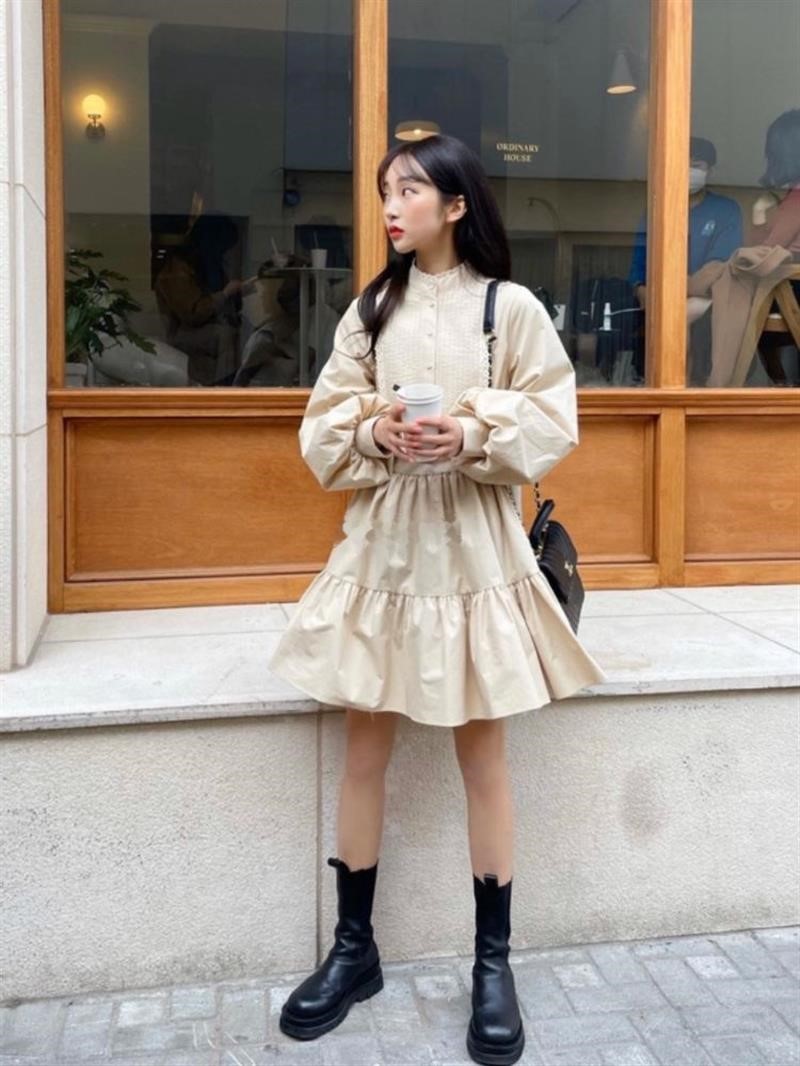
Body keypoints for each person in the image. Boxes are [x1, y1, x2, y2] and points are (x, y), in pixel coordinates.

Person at [268, 133, 607, 1066]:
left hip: (475, 551)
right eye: (387, 189)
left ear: (456, 204)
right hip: (383, 550)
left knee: (484, 759)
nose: (392, 204)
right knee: (362, 753)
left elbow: (554, 415)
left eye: (411, 189)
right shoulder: (370, 309)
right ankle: (354, 952)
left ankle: (493, 966)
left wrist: (470, 434)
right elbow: (322, 425)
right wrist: (375, 433)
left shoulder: (509, 308)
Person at [629, 137, 743, 384]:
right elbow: (639, 262)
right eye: (684, 164)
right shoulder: (658, 209)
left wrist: (678, 291)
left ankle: (682, 388)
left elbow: (718, 265)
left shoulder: (726, 210)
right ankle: (667, 386)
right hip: (662, 294)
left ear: (710, 171)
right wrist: (641, 289)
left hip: (710, 294)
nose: (690, 171)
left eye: (697, 165)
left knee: (678, 316)